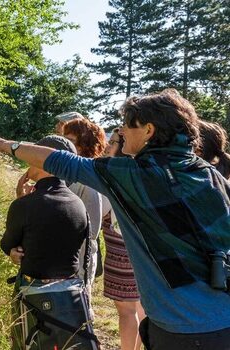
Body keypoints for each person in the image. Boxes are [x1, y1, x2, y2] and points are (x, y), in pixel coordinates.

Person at [0, 89, 230, 349]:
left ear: (148, 131)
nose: (121, 132)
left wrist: (5, 145)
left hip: (184, 328)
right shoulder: (210, 174)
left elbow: (64, 162)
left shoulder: (133, 175)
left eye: (127, 126)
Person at [1, 135, 93, 349]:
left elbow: (8, 245)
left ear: (45, 160)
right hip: (71, 296)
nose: (27, 159)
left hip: (33, 295)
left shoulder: (26, 205)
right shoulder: (78, 204)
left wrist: (19, 201)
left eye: (34, 153)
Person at [101, 128, 145, 350]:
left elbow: (98, 214)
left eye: (113, 142)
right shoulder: (142, 173)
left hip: (122, 254)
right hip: (144, 253)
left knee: (126, 312)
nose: (107, 146)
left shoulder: (113, 178)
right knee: (141, 309)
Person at [62, 118, 105, 288]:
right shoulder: (65, 173)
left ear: (83, 144)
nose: (64, 144)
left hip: (79, 258)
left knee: (77, 306)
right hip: (59, 255)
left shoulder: (89, 180)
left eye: (70, 140)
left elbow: (92, 230)